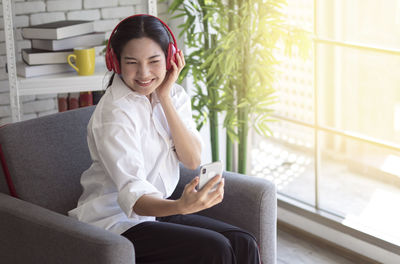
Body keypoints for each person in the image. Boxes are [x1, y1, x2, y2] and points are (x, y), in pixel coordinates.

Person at [68, 14, 260, 264]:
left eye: (154, 61)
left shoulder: (174, 95)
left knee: (242, 241)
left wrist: (165, 98)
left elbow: (191, 159)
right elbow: (134, 198)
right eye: (132, 62)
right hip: (115, 221)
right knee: (215, 248)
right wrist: (182, 206)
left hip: (156, 212)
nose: (144, 73)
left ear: (170, 59)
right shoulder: (113, 113)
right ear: (115, 62)